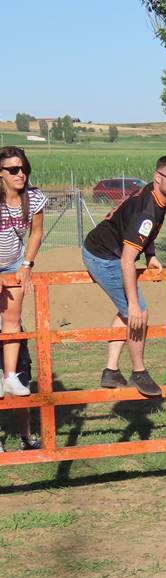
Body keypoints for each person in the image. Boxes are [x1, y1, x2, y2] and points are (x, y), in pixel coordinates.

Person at [83, 154, 166, 397]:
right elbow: (127, 259)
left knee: (128, 313)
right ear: (157, 178)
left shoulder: (158, 194)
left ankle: (111, 371)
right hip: (104, 256)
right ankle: (139, 372)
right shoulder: (147, 209)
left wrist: (150, 254)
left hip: (106, 250)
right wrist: (133, 305)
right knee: (138, 311)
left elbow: (145, 232)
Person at [0, 147, 45, 399]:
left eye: (24, 168)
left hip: (14, 262)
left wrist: (26, 265)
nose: (21, 174)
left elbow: (36, 232)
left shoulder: (34, 198)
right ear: (0, 173)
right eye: (13, 170)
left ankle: (10, 377)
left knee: (12, 319)